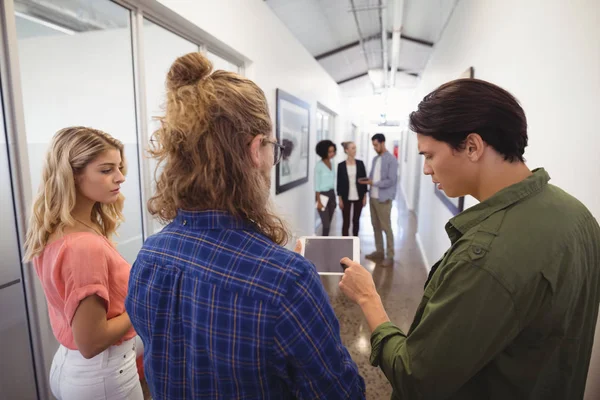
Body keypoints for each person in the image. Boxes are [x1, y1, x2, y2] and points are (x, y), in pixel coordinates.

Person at [338, 79, 600, 399]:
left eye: (430, 155)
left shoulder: (487, 257)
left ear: (472, 146)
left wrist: (368, 299)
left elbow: (416, 377)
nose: (425, 170)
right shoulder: (578, 215)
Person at [125, 53, 365, 400]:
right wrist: (290, 277)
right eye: (272, 147)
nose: (272, 158)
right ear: (256, 149)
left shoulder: (149, 255)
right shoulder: (286, 282)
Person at [23, 127, 143, 400]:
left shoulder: (59, 229)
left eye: (120, 168)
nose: (120, 177)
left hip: (74, 368)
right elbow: (92, 342)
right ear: (74, 175)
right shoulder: (83, 246)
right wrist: (141, 301)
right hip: (102, 377)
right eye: (106, 170)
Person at [361, 133, 398, 267]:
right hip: (373, 198)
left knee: (386, 227)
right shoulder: (375, 159)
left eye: (376, 145)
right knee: (375, 226)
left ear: (383, 143)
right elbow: (372, 176)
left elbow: (391, 180)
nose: (375, 147)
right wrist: (367, 182)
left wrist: (373, 183)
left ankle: (390, 256)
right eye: (373, 145)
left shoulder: (392, 160)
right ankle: (379, 251)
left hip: (384, 199)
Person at [337, 141, 368, 236]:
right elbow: (339, 183)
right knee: (346, 222)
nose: (355, 150)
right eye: (353, 148)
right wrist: (340, 199)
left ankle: (355, 243)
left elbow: (364, 181)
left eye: (355, 148)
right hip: (346, 196)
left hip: (359, 196)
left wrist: (365, 197)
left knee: (356, 221)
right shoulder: (341, 165)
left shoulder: (360, 163)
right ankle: (345, 245)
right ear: (347, 150)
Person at [314, 139, 337, 236]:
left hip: (332, 195)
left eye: (333, 151)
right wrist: (318, 201)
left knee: (329, 224)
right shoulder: (319, 166)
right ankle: (324, 245)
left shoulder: (332, 164)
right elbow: (316, 184)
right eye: (329, 152)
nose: (332, 154)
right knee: (326, 225)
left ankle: (326, 242)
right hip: (322, 196)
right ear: (323, 152)